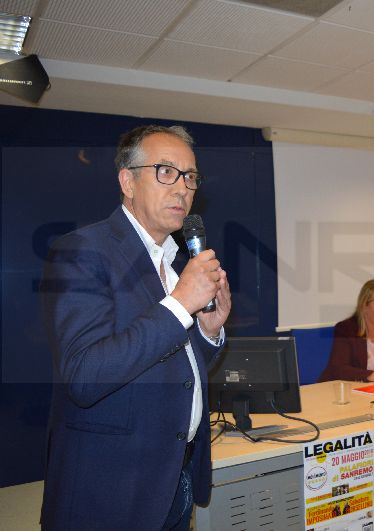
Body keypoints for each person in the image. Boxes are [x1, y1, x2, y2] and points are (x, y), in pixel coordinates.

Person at [39, 125, 232, 531]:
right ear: (127, 182)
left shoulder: (173, 262)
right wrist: (180, 304)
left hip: (174, 477)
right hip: (111, 490)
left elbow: (176, 368)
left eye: (190, 176)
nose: (182, 188)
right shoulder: (83, 250)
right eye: (166, 171)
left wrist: (207, 332)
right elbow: (85, 375)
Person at [318, 279, 374, 383]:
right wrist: (373, 375)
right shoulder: (346, 329)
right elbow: (338, 369)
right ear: (364, 306)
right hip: (341, 388)